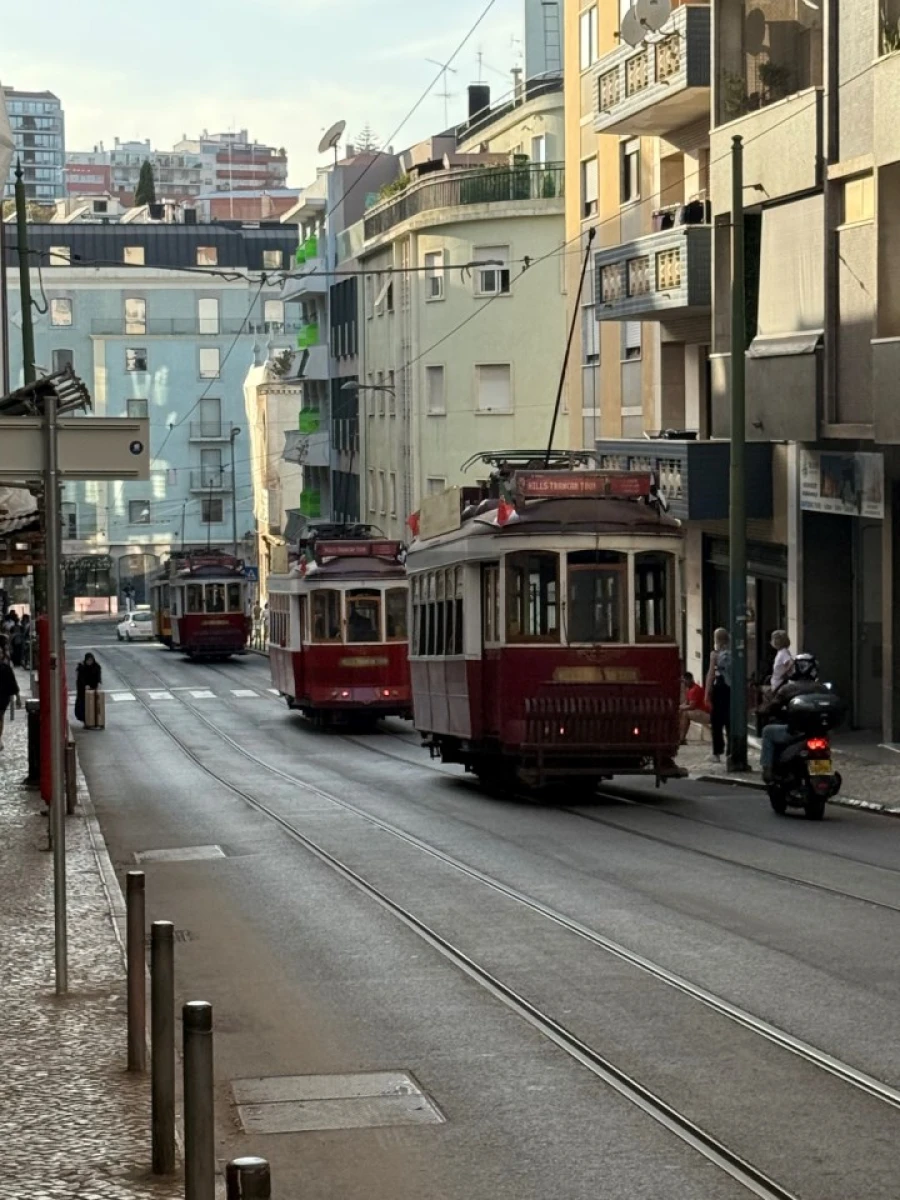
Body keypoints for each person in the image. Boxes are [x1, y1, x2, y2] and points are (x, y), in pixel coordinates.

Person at [704, 627, 732, 764]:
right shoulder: (734, 653)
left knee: (716, 722)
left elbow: (711, 674)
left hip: (720, 688)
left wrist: (706, 693)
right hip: (732, 690)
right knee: (730, 721)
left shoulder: (715, 655)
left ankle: (717, 752)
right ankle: (731, 751)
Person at [679, 671, 710, 744]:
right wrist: (679, 709)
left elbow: (691, 706)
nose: (684, 683)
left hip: (707, 714)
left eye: (685, 681)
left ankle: (681, 739)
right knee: (682, 712)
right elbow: (686, 703)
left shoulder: (695, 689)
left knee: (685, 714)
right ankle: (680, 737)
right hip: (699, 712)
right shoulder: (689, 689)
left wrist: (681, 708)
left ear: (690, 679)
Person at [0, 650, 21, 751]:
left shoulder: (6, 668)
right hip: (4, 697)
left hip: (2, 697)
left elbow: (13, 682)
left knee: (0, 717)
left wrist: (18, 697)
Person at [75, 652, 102, 726]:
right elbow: (80, 678)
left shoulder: (97, 666)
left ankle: (94, 721)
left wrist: (99, 682)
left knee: (93, 704)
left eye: (91, 660)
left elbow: (98, 676)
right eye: (88, 660)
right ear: (85, 660)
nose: (89, 662)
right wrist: (85, 685)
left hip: (93, 688)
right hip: (83, 690)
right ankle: (86, 721)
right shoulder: (82, 666)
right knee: (83, 706)